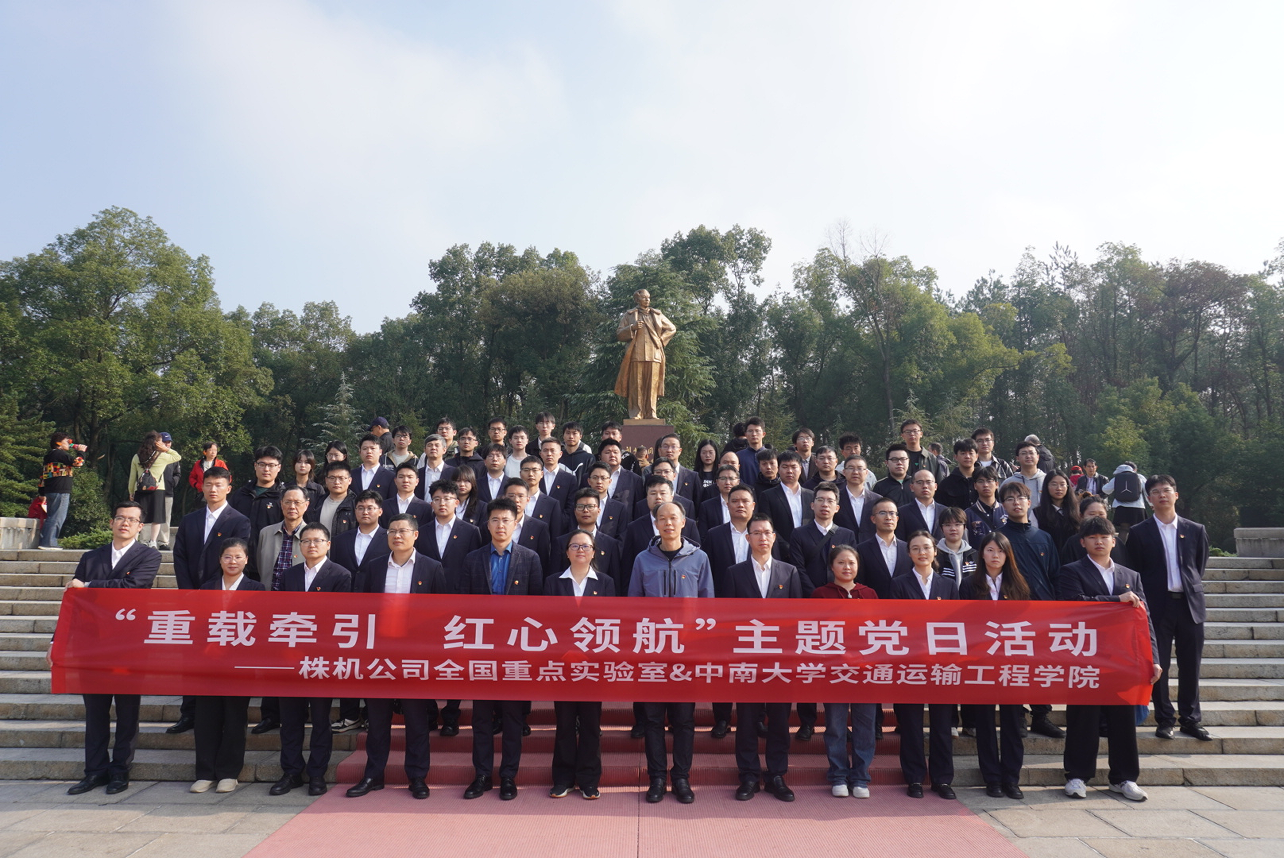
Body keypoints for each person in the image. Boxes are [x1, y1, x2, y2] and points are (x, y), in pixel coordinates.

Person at [61, 501, 160, 795]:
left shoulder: (149, 556)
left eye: (131, 519)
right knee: (95, 712)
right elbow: (74, 602)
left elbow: (134, 586)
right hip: (93, 646)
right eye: (120, 518)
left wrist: (89, 585)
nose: (125, 523)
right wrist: (58, 642)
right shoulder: (91, 557)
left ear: (141, 527)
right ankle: (94, 771)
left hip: (129, 646)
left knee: (127, 712)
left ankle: (120, 771)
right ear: (111, 522)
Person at [1060, 516, 1163, 801]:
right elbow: (1074, 605)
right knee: (1083, 718)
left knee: (1123, 721)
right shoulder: (1071, 571)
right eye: (1092, 537)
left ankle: (1124, 778)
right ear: (1083, 542)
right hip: (1085, 657)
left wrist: (1153, 658)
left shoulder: (1131, 576)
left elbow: (1144, 620)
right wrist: (1116, 601)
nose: (1099, 542)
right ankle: (1077, 776)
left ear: (1113, 541)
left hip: (1123, 660)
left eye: (1104, 537)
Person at [346, 515, 448, 800]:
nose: (397, 535)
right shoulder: (375, 566)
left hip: (415, 654)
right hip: (380, 652)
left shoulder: (431, 567)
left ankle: (417, 776)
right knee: (378, 719)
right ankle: (373, 775)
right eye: (392, 531)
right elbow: (362, 609)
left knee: (416, 719)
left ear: (416, 535)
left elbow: (441, 613)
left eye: (403, 531)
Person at [629, 501, 714, 804]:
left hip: (685, 654)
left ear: (683, 522)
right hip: (652, 651)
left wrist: (700, 646)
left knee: (684, 720)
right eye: (662, 518)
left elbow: (707, 605)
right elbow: (634, 605)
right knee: (652, 719)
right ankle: (656, 778)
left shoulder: (699, 558)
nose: (668, 523)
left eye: (673, 518)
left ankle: (680, 778)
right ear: (656, 523)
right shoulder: (642, 559)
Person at [462, 498, 544, 800]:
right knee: (481, 717)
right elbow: (463, 606)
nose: (500, 525)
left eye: (506, 520)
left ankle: (509, 776)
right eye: (495, 520)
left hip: (515, 650)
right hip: (482, 649)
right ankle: (482, 775)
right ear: (487, 524)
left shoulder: (530, 558)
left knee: (512, 717)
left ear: (515, 523)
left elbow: (537, 608)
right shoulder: (472, 559)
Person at [724, 515, 805, 802]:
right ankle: (748, 775)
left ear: (774, 537)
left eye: (766, 532)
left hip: (780, 661)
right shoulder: (734, 573)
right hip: (746, 659)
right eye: (756, 533)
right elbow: (727, 620)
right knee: (747, 719)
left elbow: (797, 619)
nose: (762, 537)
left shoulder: (789, 572)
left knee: (780, 719)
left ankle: (776, 775)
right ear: (747, 539)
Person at [1125, 475, 1211, 741]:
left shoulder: (1195, 529)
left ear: (1176, 495)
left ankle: (1191, 719)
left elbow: (1198, 566)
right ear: (1149, 499)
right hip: (1155, 607)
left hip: (1189, 605)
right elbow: (1134, 570)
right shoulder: (1139, 532)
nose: (1162, 495)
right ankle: (1164, 719)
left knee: (1190, 665)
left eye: (1166, 490)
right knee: (1157, 665)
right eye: (1155, 492)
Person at [271, 522, 352, 797]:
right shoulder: (289, 575)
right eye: (306, 541)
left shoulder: (340, 575)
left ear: (328, 545)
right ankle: (291, 771)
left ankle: (317, 773)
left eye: (317, 541)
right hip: (291, 658)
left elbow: (340, 618)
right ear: (300, 545)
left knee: (320, 719)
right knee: (290, 719)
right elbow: (279, 614)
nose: (311, 545)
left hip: (321, 659)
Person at [170, 465, 250, 734]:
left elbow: (234, 561)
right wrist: (189, 593)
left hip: (222, 601)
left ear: (228, 488)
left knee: (219, 655)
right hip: (192, 599)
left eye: (218, 485)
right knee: (191, 656)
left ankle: (218, 711)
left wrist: (211, 592)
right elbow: (180, 556)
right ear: (202, 487)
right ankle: (188, 712)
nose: (213, 489)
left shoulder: (239, 520)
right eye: (208, 484)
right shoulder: (190, 519)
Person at [544, 530, 616, 800]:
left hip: (592, 665)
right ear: (567, 552)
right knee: (564, 723)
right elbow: (548, 622)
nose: (580, 550)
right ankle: (562, 778)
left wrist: (589, 654)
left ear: (594, 551)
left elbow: (609, 623)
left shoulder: (605, 583)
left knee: (590, 723)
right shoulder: (553, 582)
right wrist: (566, 652)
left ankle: (588, 779)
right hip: (562, 663)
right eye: (575, 546)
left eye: (586, 546)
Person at [960, 532, 1031, 799]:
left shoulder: (1019, 584)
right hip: (982, 662)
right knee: (985, 722)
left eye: (1000, 551)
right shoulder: (970, 584)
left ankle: (1011, 779)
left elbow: (1027, 622)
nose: (995, 556)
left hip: (1012, 662)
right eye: (990, 550)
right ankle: (991, 778)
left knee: (1013, 721)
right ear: (982, 553)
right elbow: (964, 622)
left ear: (1007, 555)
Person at [192, 537, 264, 795]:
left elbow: (259, 627)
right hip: (208, 664)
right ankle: (205, 772)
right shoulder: (207, 588)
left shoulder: (257, 589)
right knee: (206, 718)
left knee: (234, 718)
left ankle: (229, 773)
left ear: (247, 560)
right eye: (227, 557)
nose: (233, 561)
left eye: (238, 557)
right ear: (220, 560)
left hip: (239, 665)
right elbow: (198, 625)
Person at [890, 532, 959, 799]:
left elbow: (955, 625)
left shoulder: (948, 585)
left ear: (935, 551)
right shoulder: (898, 584)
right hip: (911, 663)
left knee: (942, 724)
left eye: (927, 548)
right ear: (909, 553)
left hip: (941, 664)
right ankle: (915, 778)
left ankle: (942, 779)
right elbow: (895, 623)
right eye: (916, 548)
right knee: (911, 724)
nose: (922, 553)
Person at [996, 480, 1064, 740]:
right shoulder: (999, 538)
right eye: (1009, 499)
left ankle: (1041, 715)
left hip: (1042, 611)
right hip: (1010, 613)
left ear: (1029, 502)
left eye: (1020, 498)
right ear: (1003, 505)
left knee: (1041, 665)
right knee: (1014, 665)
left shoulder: (1043, 537)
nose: (1016, 502)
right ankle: (1016, 715)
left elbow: (1055, 574)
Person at [418, 478, 484, 736]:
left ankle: (451, 715)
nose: (442, 503)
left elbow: (476, 568)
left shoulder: (471, 531)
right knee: (426, 659)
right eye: (437, 499)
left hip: (459, 606)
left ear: (457, 502)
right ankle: (429, 712)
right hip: (426, 606)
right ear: (431, 503)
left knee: (455, 661)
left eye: (447, 499)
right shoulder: (421, 531)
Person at [813, 545, 878, 799]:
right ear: (832, 566)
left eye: (851, 562)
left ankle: (861, 777)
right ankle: (838, 775)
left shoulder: (869, 594)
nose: (847, 567)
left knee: (865, 725)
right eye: (841, 562)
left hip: (865, 672)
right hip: (835, 671)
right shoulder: (820, 595)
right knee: (835, 726)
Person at [615, 288, 677, 419]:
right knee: (636, 385)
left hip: (654, 354)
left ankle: (651, 412)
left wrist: (661, 340)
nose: (647, 300)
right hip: (636, 354)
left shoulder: (657, 314)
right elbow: (619, 334)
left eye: (648, 297)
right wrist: (632, 327)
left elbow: (672, 328)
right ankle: (636, 413)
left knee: (652, 385)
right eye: (644, 298)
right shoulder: (629, 315)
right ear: (637, 299)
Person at [790, 481, 857, 591]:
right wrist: (815, 594)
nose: (825, 504)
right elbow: (798, 568)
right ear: (812, 505)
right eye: (820, 500)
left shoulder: (847, 535)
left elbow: (852, 568)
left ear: (837, 508)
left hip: (840, 594)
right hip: (809, 595)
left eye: (830, 501)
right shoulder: (799, 534)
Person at [555, 489, 622, 592]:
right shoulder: (561, 542)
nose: (585, 510)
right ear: (575, 511)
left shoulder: (610, 544)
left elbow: (615, 580)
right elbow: (555, 578)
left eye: (590, 506)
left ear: (599, 510)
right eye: (580, 506)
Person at [129, 431, 182, 549]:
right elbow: (177, 456)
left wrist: (131, 491)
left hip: (140, 490)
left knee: (139, 517)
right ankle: (153, 541)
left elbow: (132, 477)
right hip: (158, 489)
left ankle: (136, 540)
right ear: (157, 443)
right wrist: (165, 449)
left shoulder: (137, 457)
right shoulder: (162, 456)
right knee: (156, 518)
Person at [38, 431, 86, 550]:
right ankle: (49, 543)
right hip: (60, 489)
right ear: (58, 443)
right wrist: (81, 452)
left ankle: (46, 541)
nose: (69, 443)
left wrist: (41, 492)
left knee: (52, 516)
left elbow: (43, 475)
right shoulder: (59, 453)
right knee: (57, 517)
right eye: (67, 441)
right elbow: (78, 463)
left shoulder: (49, 456)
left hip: (51, 490)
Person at [854, 497, 909, 598]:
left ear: (897, 519)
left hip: (904, 604)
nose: (888, 517)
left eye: (892, 513)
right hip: (874, 603)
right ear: (873, 519)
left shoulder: (907, 549)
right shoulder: (861, 550)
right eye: (882, 513)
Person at [229, 445, 285, 543]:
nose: (266, 469)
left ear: (279, 468)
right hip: (241, 548)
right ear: (255, 466)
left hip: (270, 548)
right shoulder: (241, 494)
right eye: (262, 464)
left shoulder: (283, 496)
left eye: (271, 465)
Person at [759, 450, 812, 543]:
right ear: (778, 469)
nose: (789, 471)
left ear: (800, 469)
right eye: (785, 467)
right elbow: (768, 526)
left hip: (808, 547)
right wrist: (786, 547)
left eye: (793, 467)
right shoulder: (768, 496)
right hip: (780, 548)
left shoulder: (811, 495)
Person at [1033, 470, 1080, 549]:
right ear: (1046, 487)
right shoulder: (1037, 513)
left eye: (1062, 484)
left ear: (1068, 487)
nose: (1059, 488)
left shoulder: (1078, 510)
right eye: (1054, 484)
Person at [309, 461, 357, 537]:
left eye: (341, 478)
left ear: (349, 480)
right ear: (326, 480)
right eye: (332, 478)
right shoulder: (316, 503)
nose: (337, 482)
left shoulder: (357, 505)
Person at [582, 462, 628, 538]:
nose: (599, 482)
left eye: (603, 478)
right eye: (595, 478)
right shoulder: (579, 506)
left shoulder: (619, 508)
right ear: (589, 481)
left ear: (610, 481)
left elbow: (622, 538)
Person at [897, 469, 946, 540]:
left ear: (935, 486)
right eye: (920, 482)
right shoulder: (902, 512)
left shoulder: (945, 511)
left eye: (929, 482)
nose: (925, 486)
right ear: (911, 487)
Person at [697, 463, 741, 539]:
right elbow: (703, 535)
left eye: (731, 478)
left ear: (738, 482)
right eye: (723, 478)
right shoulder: (706, 507)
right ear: (717, 482)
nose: (727, 482)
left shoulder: (745, 505)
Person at [965, 466, 1007, 545]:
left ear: (996, 484)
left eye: (989, 481)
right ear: (975, 486)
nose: (985, 485)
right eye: (981, 481)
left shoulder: (1007, 510)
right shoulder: (967, 514)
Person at [381, 461, 431, 527]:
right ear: (395, 480)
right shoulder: (384, 506)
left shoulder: (425, 508)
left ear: (417, 481)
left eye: (410, 477)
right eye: (401, 477)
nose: (405, 480)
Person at [1104, 462, 1147, 537]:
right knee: (1139, 529)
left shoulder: (1117, 478)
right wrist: (1151, 504)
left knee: (1124, 529)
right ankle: (1137, 544)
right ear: (1134, 469)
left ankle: (1121, 544)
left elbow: (1105, 490)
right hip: (1138, 506)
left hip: (1121, 507)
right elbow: (1147, 491)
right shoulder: (1139, 477)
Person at [937, 438, 979, 511]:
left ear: (976, 456)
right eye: (963, 453)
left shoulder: (984, 480)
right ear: (956, 457)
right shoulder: (946, 484)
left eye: (971, 453)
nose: (967, 456)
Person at [936, 507, 977, 580]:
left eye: (957, 524)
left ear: (964, 527)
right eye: (948, 525)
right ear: (941, 528)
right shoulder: (935, 555)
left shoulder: (975, 555)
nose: (953, 529)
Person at [352, 433, 395, 498]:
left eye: (372, 448)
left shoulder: (390, 477)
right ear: (360, 452)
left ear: (380, 452)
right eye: (365, 448)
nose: (369, 451)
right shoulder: (351, 475)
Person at [735, 416, 768, 486]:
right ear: (746, 434)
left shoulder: (771, 456)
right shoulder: (738, 456)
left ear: (763, 434)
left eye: (757, 431)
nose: (754, 434)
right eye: (750, 431)